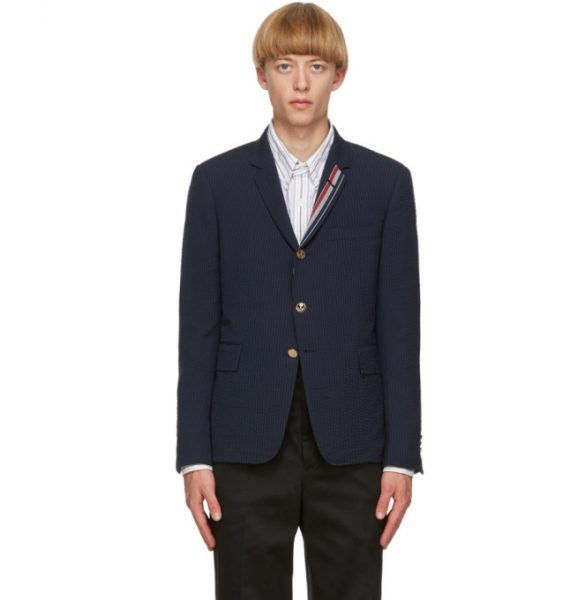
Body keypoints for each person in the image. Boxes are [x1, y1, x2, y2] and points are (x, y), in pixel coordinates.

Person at [176, 3, 423, 598]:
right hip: (244, 437)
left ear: (339, 74)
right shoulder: (216, 183)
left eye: (316, 65)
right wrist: (193, 456)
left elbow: (400, 328)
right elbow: (197, 326)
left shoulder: (386, 183)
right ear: (261, 75)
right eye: (285, 66)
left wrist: (401, 456)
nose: (301, 83)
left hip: (354, 440)